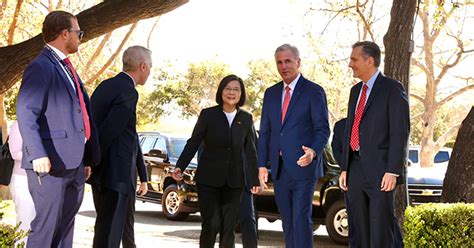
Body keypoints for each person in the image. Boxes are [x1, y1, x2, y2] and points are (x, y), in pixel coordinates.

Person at [16, 10, 100, 248]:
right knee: (46, 230)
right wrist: (38, 153)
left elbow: (79, 112)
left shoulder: (65, 66)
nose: (80, 37)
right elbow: (25, 110)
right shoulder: (40, 66)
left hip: (73, 163)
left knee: (65, 231)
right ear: (65, 34)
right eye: (78, 32)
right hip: (50, 164)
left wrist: (85, 158)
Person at [172, 74, 261, 248]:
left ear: (241, 94)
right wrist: (180, 166)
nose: (231, 93)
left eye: (236, 89)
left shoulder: (246, 118)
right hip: (208, 180)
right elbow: (194, 142)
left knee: (228, 228)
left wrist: (253, 179)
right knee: (211, 224)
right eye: (228, 88)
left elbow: (251, 151)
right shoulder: (208, 115)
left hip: (235, 182)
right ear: (221, 91)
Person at [257, 44, 330, 248]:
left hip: (303, 166)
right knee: (287, 221)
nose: (283, 66)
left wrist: (313, 151)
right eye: (279, 62)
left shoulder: (314, 91)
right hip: (279, 169)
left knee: (300, 219)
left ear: (298, 62)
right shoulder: (271, 94)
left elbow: (323, 129)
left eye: (288, 61)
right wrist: (262, 164)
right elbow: (266, 133)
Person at [339, 41, 409, 247]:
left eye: (354, 59)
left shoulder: (392, 89)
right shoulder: (355, 92)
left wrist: (393, 170)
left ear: (370, 61)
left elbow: (400, 131)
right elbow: (350, 129)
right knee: (358, 228)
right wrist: (345, 167)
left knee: (380, 229)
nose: (350, 64)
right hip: (355, 168)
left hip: (382, 170)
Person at [89, 46, 150, 248]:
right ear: (142, 67)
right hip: (116, 174)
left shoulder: (105, 86)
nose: (150, 71)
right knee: (111, 233)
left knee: (104, 228)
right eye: (149, 66)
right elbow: (109, 131)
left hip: (100, 173)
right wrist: (91, 160)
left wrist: (92, 163)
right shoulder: (128, 92)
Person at [8, 121, 36, 245]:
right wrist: (40, 157)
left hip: (42, 181)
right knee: (25, 222)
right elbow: (15, 153)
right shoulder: (19, 125)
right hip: (22, 179)